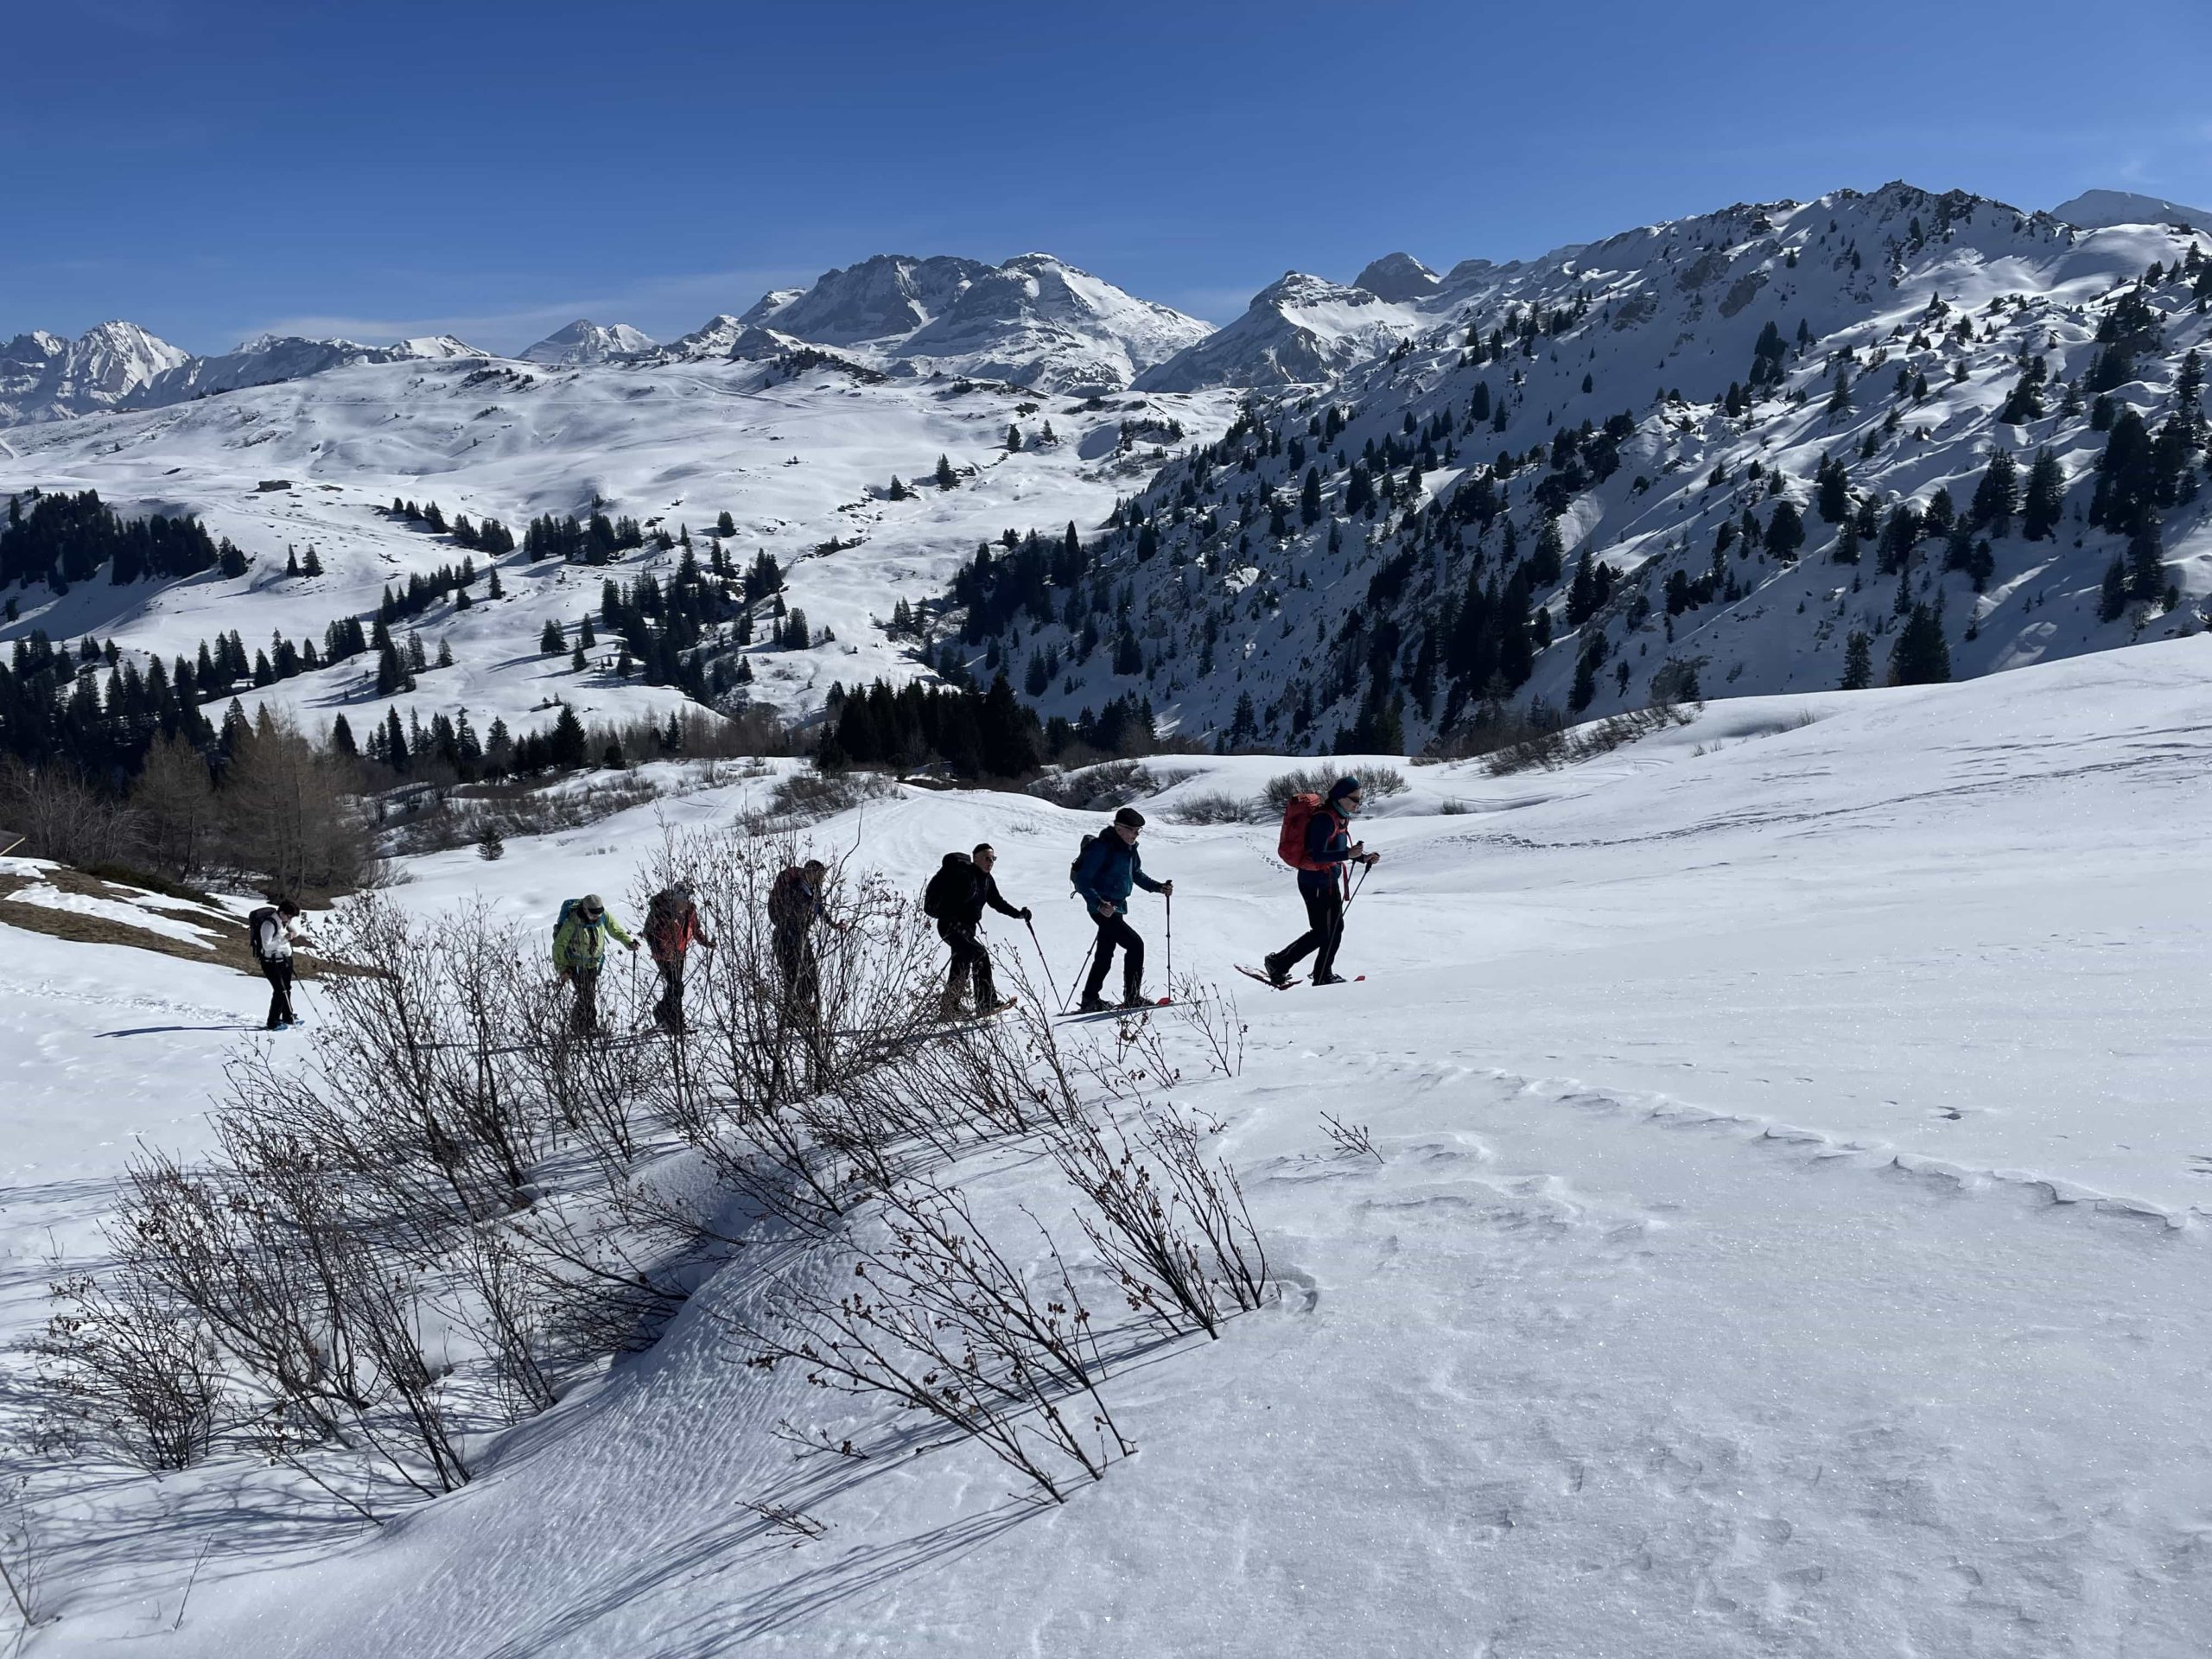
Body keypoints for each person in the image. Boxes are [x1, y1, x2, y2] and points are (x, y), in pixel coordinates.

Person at [1262, 776, 1379, 988]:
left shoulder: (1339, 817)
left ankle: (1319, 973)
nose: (1357, 804)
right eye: (1354, 799)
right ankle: (1284, 965)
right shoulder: (1324, 819)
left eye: (1359, 800)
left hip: (1326, 880)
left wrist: (1361, 857)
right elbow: (1317, 855)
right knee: (1322, 932)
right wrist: (1348, 854)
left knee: (1333, 929)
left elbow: (1335, 852)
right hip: (1314, 882)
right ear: (1340, 797)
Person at [1071, 806, 1172, 1012]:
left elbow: (1136, 874)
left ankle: (1090, 998)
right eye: (1133, 830)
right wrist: (1099, 903)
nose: (1136, 834)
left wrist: (1158, 887)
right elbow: (1083, 880)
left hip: (1116, 907)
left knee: (1105, 953)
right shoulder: (1102, 847)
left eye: (1138, 831)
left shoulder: (1130, 850)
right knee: (1135, 945)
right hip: (1102, 908)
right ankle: (1132, 996)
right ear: (1118, 827)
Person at [924, 843, 1030, 1020]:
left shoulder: (987, 879)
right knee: (980, 955)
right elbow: (950, 903)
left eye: (993, 859)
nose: (991, 862)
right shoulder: (964, 876)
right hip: (952, 927)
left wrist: (1018, 914)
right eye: (987, 858)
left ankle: (949, 1007)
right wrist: (955, 919)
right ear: (976, 859)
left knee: (962, 963)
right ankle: (985, 1003)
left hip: (966, 929)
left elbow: (997, 902)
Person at [553, 893, 639, 1033]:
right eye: (593, 913)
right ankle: (587, 1027)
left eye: (598, 913)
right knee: (587, 996)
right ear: (585, 910)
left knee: (587, 995)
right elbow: (559, 945)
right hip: (575, 964)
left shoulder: (603, 916)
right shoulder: (573, 922)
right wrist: (562, 968)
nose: (596, 916)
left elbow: (616, 930)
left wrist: (628, 942)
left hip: (593, 964)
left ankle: (579, 1026)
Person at [767, 859, 832, 1026]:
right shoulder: (795, 889)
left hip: (801, 937)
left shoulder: (813, 890)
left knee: (809, 976)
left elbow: (819, 908)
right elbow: (787, 914)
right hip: (786, 938)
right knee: (794, 977)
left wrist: (832, 923)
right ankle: (792, 1017)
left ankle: (801, 1013)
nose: (823, 879)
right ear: (812, 873)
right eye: (821, 875)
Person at [644, 883, 715, 1033]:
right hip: (663, 955)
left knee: (674, 987)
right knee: (676, 987)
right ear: (675, 898)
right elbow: (649, 933)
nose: (685, 903)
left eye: (687, 899)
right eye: (683, 899)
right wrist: (663, 951)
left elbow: (695, 929)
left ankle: (663, 1013)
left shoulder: (690, 911)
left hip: (679, 953)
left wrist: (705, 942)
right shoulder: (661, 911)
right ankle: (673, 1021)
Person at [246, 897, 305, 1029]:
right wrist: (284, 939)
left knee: (287, 988)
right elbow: (267, 946)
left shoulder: (285, 922)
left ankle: (288, 1016)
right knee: (279, 990)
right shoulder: (269, 924)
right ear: (282, 913)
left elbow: (296, 930)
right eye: (289, 917)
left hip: (285, 958)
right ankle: (273, 1021)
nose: (290, 920)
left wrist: (293, 934)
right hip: (271, 961)